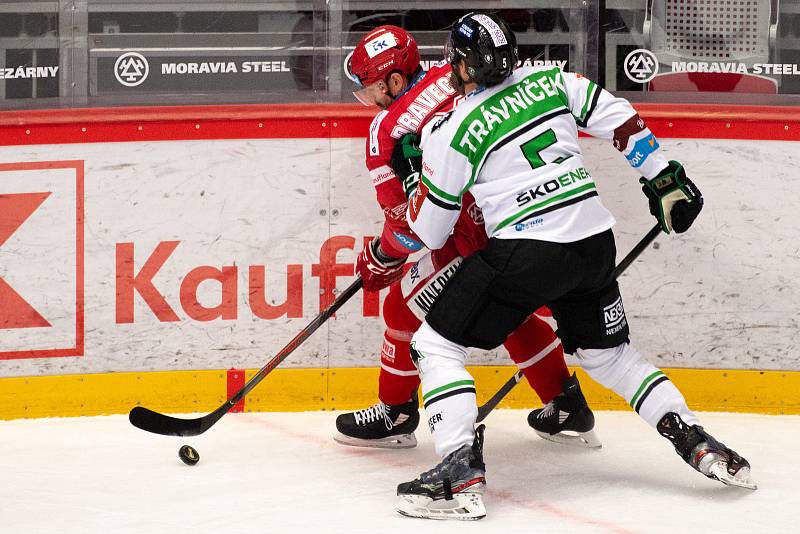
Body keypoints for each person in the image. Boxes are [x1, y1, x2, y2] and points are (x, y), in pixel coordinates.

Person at [393, 12, 756, 521]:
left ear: (465, 67)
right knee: (611, 358)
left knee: (433, 344)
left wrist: (415, 180)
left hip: (526, 252)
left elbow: (429, 233)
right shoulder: (552, 78)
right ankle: (693, 438)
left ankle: (458, 474)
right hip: (593, 245)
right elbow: (619, 117)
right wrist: (662, 176)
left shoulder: (453, 129)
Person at [335, 25, 599, 450]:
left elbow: (407, 225)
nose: (367, 100)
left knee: (401, 310)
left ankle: (395, 413)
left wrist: (382, 257)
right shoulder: (458, 72)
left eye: (369, 89)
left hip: (472, 239)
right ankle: (564, 402)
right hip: (532, 220)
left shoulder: (387, 131)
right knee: (507, 312)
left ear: (396, 81)